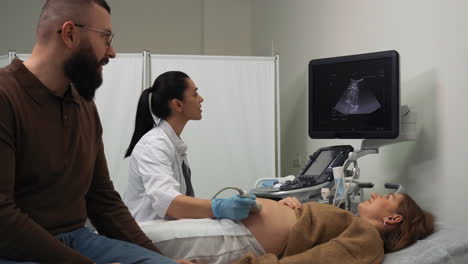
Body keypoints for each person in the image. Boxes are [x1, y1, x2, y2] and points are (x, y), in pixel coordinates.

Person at [0, 0, 191, 263]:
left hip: (80, 240)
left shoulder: (84, 106)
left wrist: (160, 259)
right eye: (105, 38)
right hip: (16, 248)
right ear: (69, 34)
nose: (111, 52)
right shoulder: (5, 97)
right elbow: (3, 219)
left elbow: (103, 200)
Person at [123, 71, 262, 221]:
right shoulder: (154, 145)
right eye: (195, 94)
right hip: (147, 233)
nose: (201, 99)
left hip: (166, 228)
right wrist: (218, 207)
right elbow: (169, 203)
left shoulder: (171, 143)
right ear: (177, 105)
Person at [149, 193, 434, 264]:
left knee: (134, 242)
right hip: (228, 230)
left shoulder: (368, 242)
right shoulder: (354, 224)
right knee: (129, 241)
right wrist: (292, 206)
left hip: (236, 241)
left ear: (393, 219)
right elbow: (310, 234)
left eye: (388, 198)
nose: (377, 195)